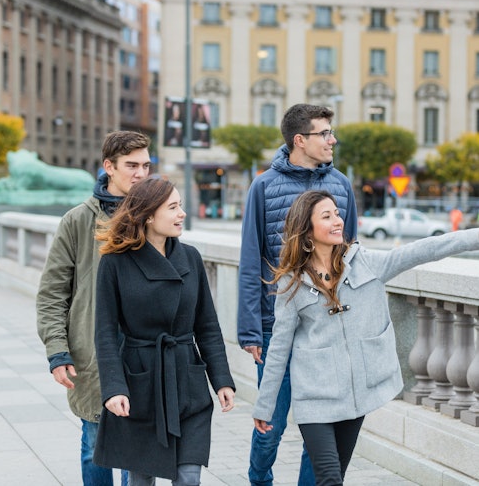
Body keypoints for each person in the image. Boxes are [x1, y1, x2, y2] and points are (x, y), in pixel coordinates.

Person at [253, 190, 479, 485]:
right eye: (327, 216)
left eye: (336, 213)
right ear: (306, 231)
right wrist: (265, 406)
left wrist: (473, 237)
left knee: (337, 476)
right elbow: (280, 348)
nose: (337, 220)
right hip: (314, 395)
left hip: (354, 395)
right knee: (329, 478)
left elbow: (426, 249)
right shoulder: (292, 282)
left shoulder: (367, 263)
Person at [237, 103, 358, 486]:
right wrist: (250, 330)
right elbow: (250, 260)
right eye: (325, 133)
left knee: (320, 429)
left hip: (325, 330)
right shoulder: (264, 186)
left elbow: (350, 255)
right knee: (270, 422)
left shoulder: (340, 185)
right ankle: (259, 478)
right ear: (300, 140)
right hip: (277, 328)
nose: (332, 139)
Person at [92, 177, 236, 485]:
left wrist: (222, 380)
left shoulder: (191, 258)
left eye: (180, 205)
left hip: (187, 381)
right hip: (140, 382)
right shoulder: (115, 263)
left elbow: (207, 326)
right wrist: (114, 388)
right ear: (147, 215)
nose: (182, 213)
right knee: (141, 478)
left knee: (188, 477)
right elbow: (105, 332)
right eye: (173, 207)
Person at [36, 130, 152, 485]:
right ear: (108, 167)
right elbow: (52, 292)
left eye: (146, 165)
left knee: (145, 449)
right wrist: (58, 351)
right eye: (131, 165)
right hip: (94, 353)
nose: (140, 174)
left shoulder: (155, 215)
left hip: (146, 351)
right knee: (95, 445)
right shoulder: (77, 220)